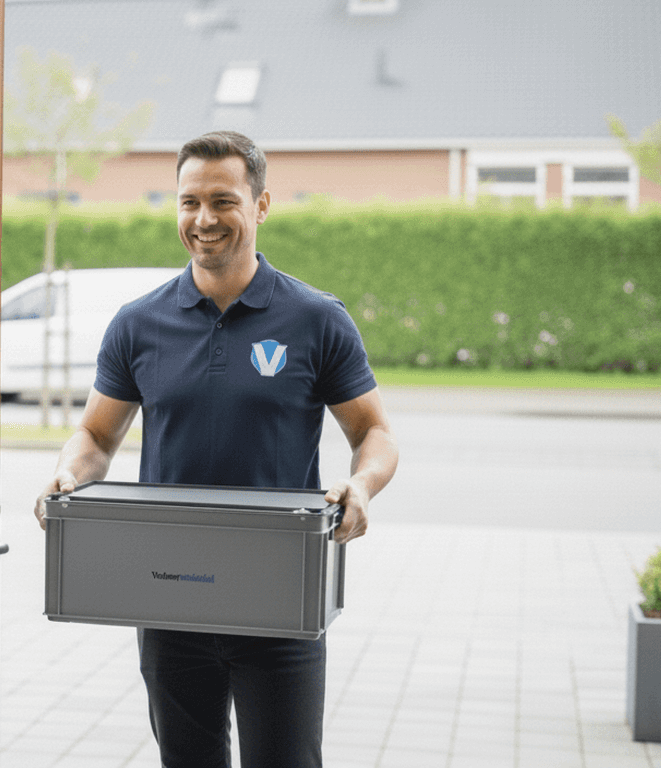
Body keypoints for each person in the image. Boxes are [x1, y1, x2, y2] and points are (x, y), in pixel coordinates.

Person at [34, 130, 399, 768]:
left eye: (223, 201)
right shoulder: (138, 324)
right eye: (190, 202)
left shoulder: (316, 319)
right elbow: (96, 436)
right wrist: (68, 474)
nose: (204, 219)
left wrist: (361, 486)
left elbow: (375, 432)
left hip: (280, 595)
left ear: (261, 205)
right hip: (168, 596)